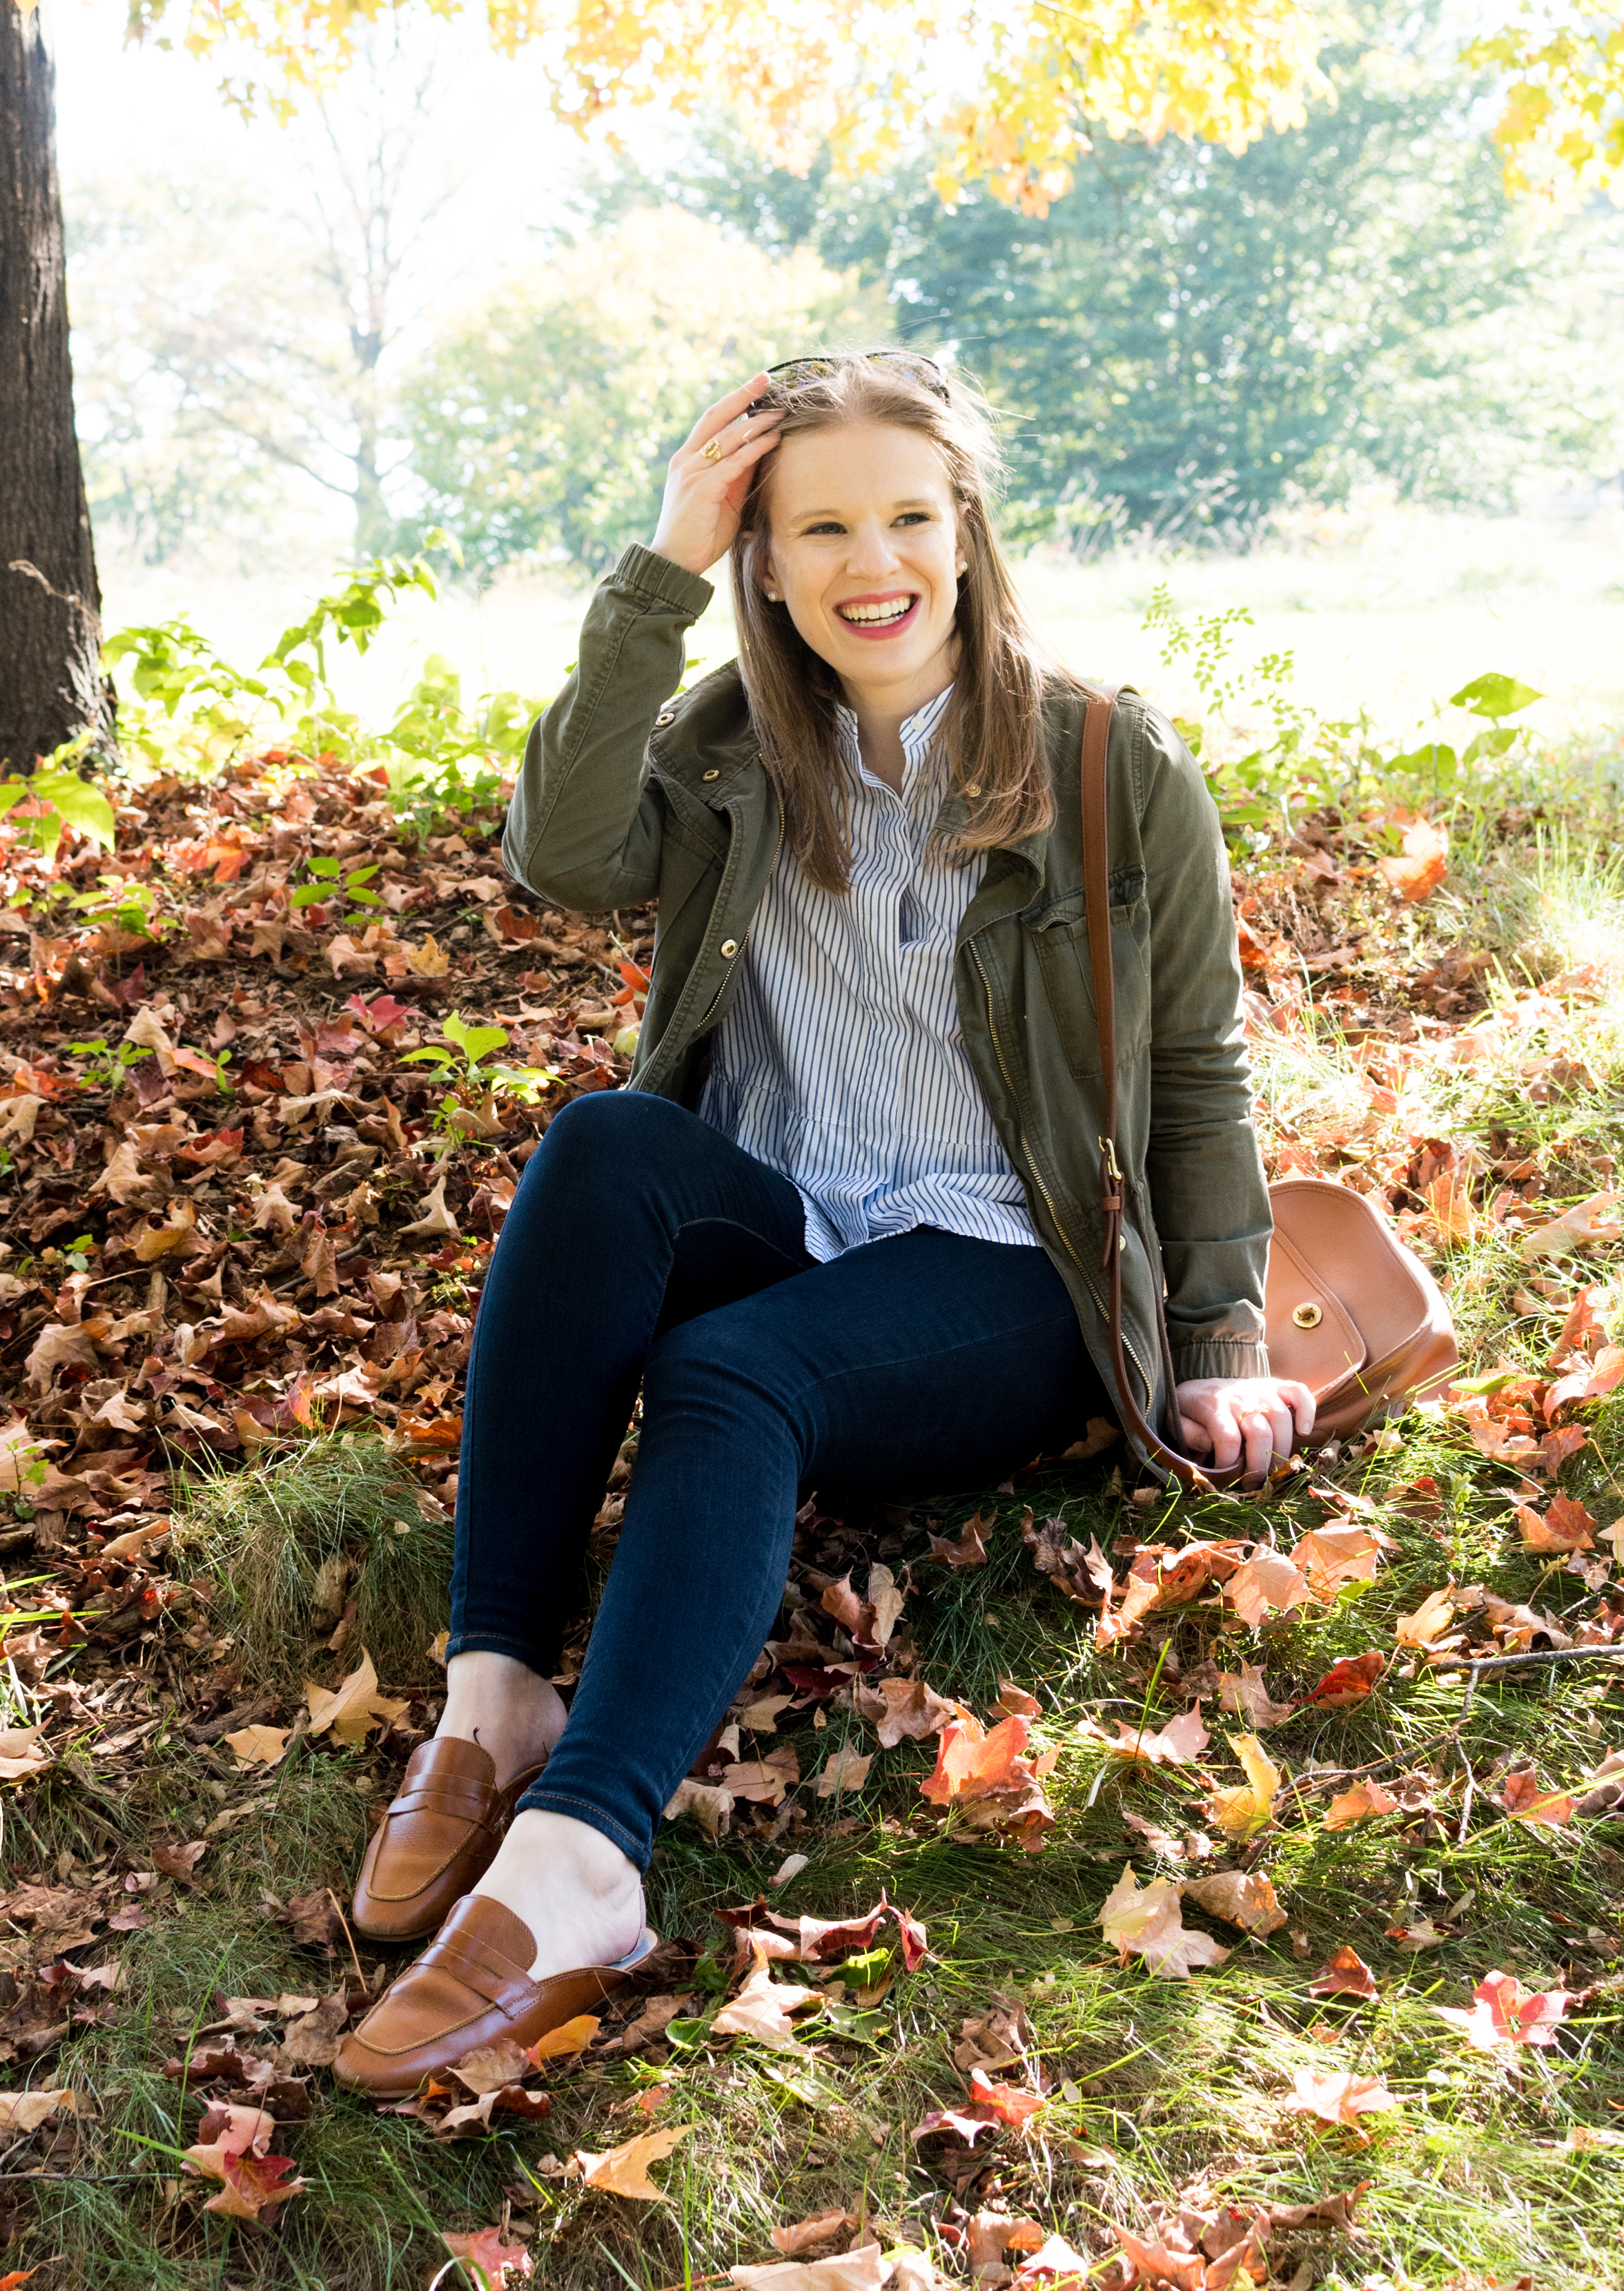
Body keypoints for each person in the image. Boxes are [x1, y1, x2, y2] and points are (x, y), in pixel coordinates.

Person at [331, 351, 1315, 2098]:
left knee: (727, 1373)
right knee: (602, 1145)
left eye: (913, 518)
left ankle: (581, 1866)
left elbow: (1191, 1063)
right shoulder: (724, 748)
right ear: (764, 561)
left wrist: (1224, 1335)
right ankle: (497, 1695)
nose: (878, 563)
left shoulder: (1102, 760)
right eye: (822, 526)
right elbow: (556, 858)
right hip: (797, 1206)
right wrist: (651, 576)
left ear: (967, 532)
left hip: (1010, 1266)